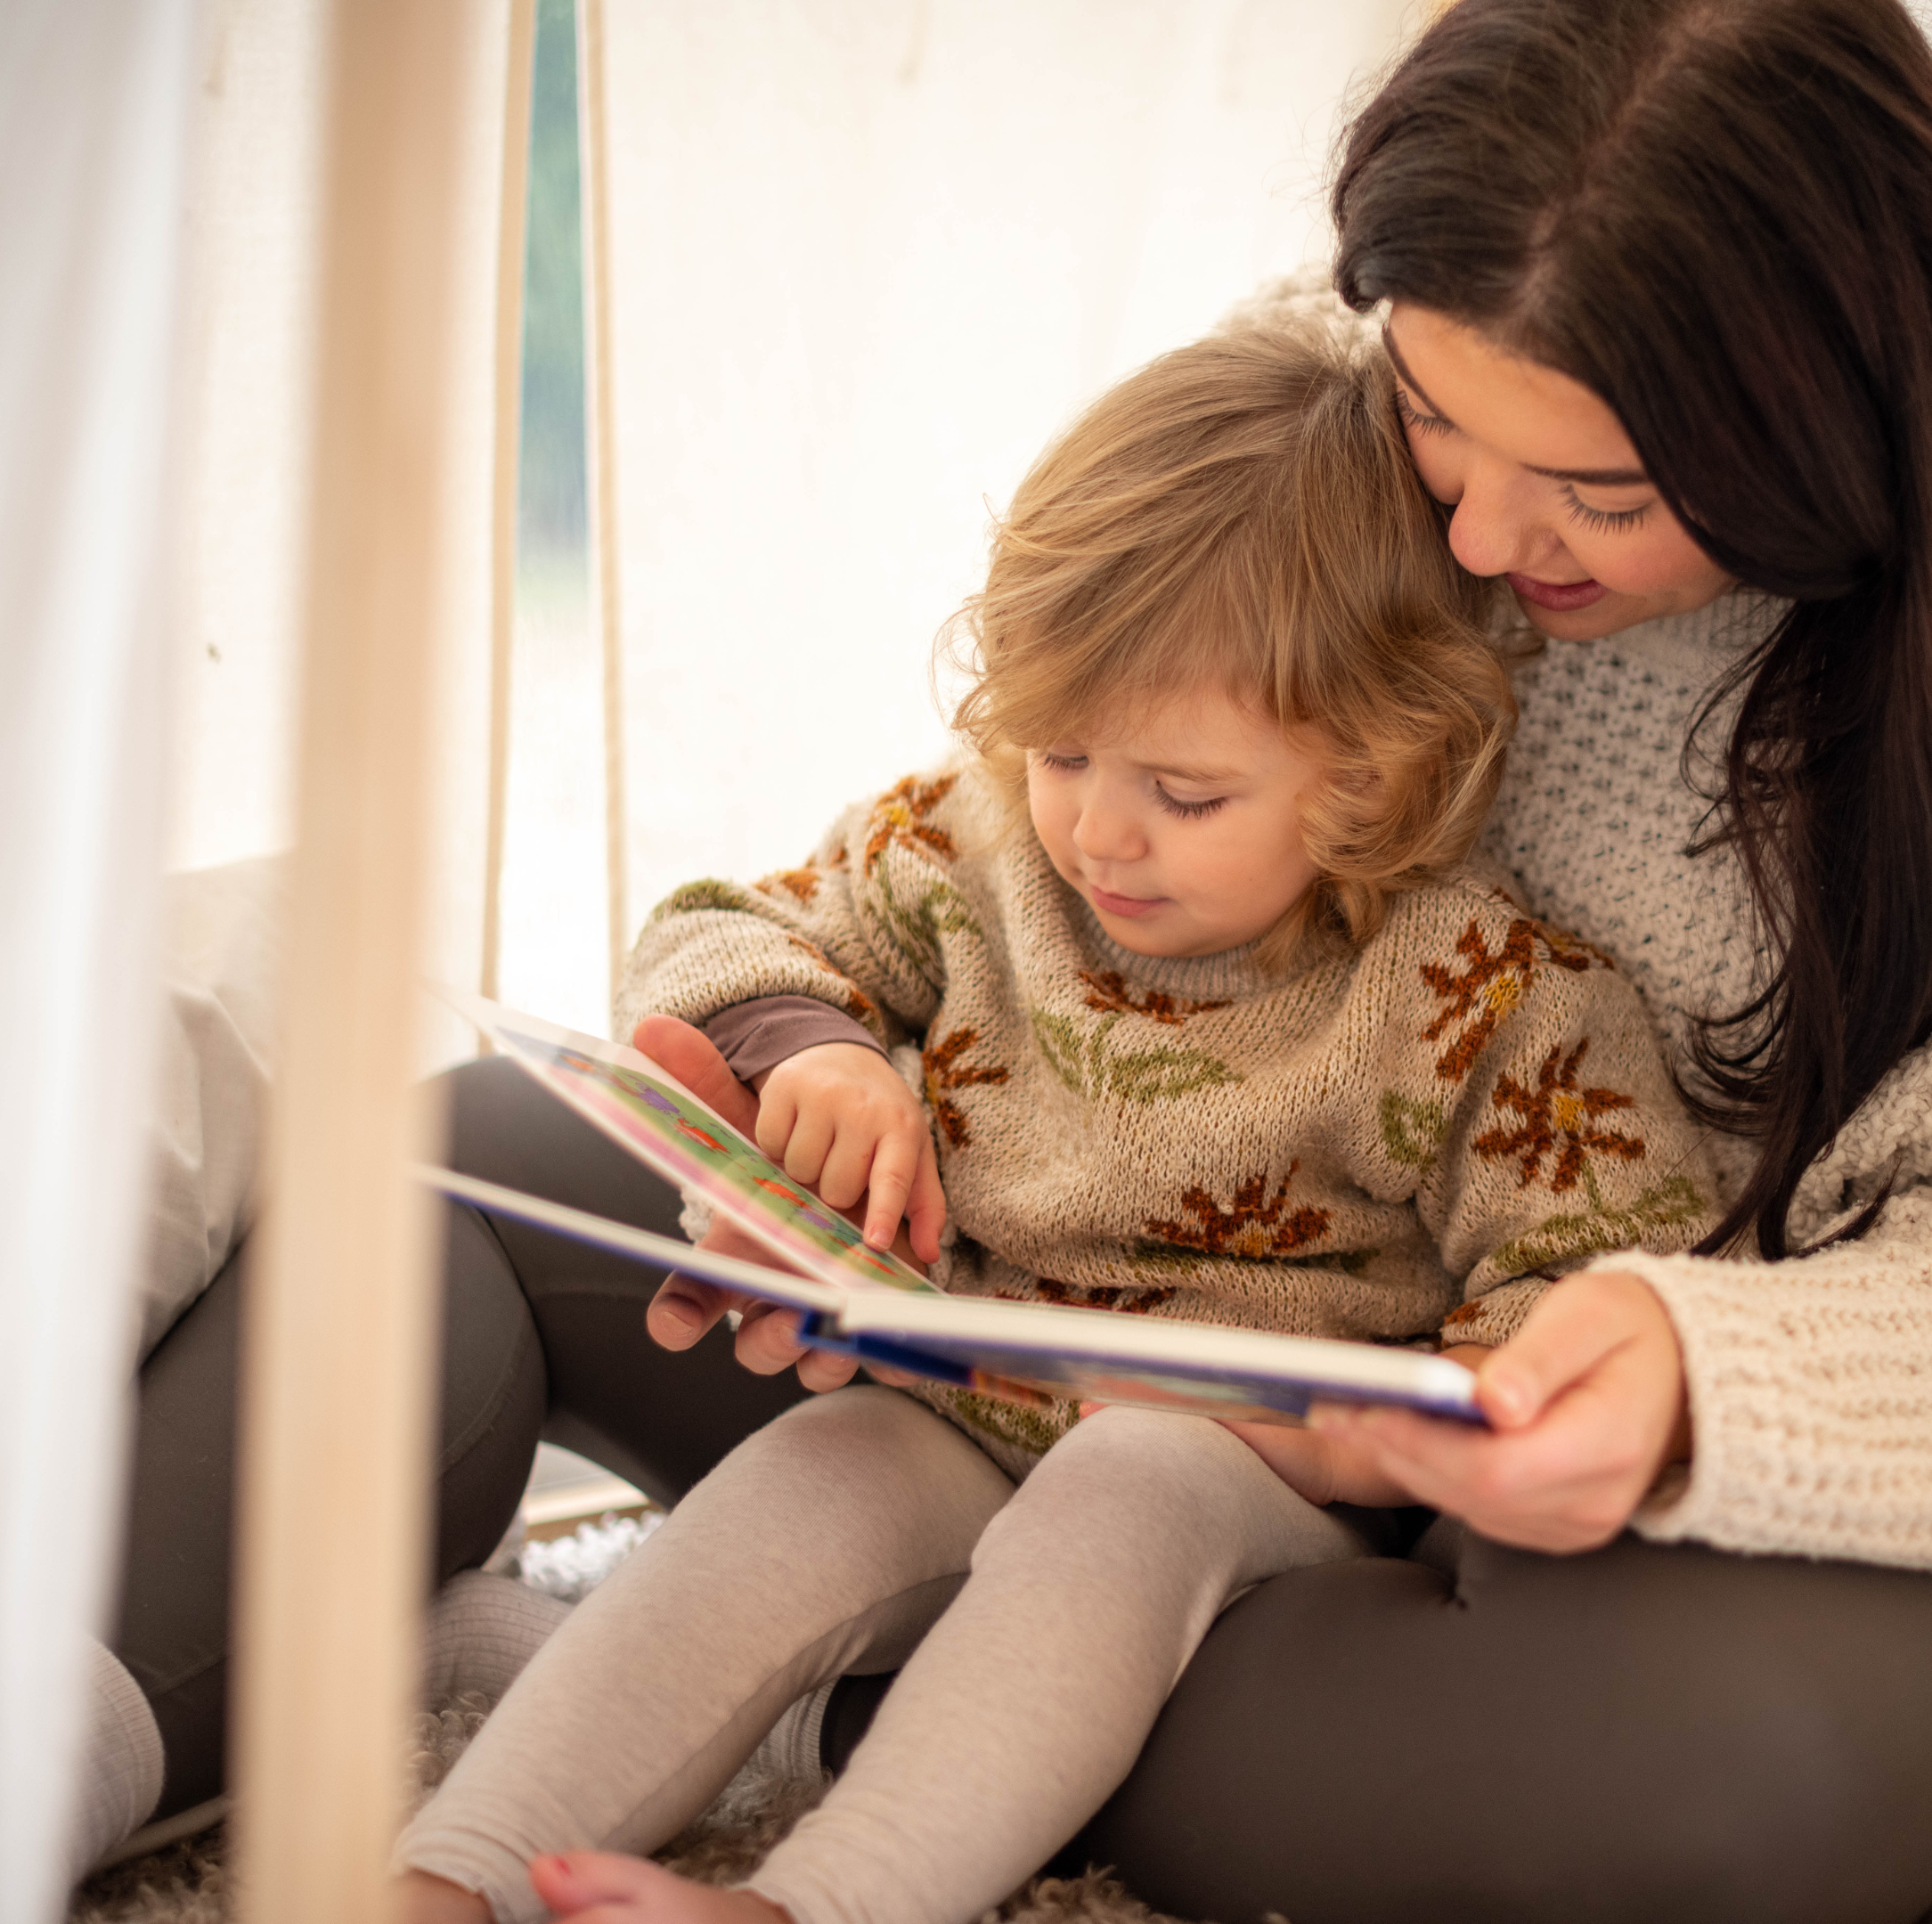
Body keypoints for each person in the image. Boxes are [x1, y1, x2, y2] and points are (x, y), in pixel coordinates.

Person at [100, 0, 1932, 1912]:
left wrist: (1676, 1385)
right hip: (1004, 1349)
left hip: (1534, 1493)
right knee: (442, 1172)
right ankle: (103, 1737)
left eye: (1598, 495)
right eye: (1440, 426)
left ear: (1835, 407)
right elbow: (1005, 841)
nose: (1469, 547)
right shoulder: (1338, 414)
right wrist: (823, 1079)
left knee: (1737, 1775)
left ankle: (857, 1734)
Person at [392, 314, 1721, 1924]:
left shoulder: (1493, 995)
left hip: (1264, 1497)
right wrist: (816, 1049)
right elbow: (721, 925)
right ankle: (452, 1873)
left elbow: (1611, 1302)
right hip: (956, 1399)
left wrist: (1352, 1427)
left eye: (1187, 792)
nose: (1098, 829)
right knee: (811, 1474)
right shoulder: (976, 841)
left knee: (1129, 1482)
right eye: (1062, 749)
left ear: (1381, 766)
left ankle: (821, 1906)